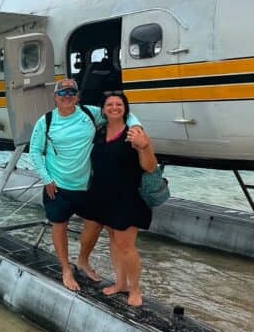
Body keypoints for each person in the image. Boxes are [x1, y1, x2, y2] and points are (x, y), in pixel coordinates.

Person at [27, 79, 142, 292]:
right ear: (55, 97)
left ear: (78, 97)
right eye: (62, 93)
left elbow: (120, 113)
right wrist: (46, 178)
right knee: (59, 225)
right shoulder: (46, 121)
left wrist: (136, 128)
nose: (67, 96)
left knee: (96, 223)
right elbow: (35, 151)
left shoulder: (90, 114)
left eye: (72, 92)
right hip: (58, 185)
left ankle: (83, 260)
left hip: (87, 184)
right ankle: (66, 269)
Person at [81, 91, 157, 307]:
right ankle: (120, 283)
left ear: (125, 109)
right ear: (103, 110)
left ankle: (135, 289)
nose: (114, 107)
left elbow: (150, 166)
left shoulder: (134, 133)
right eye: (110, 104)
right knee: (114, 240)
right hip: (103, 195)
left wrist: (144, 145)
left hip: (127, 197)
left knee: (126, 245)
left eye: (119, 104)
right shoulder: (100, 132)